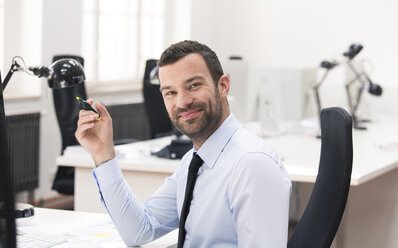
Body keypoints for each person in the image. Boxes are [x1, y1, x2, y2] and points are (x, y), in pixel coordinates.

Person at [75, 40, 292, 247]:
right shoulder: (194, 161)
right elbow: (139, 230)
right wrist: (103, 154)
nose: (182, 102)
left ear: (223, 86)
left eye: (194, 85)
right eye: (170, 92)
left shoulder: (252, 165)